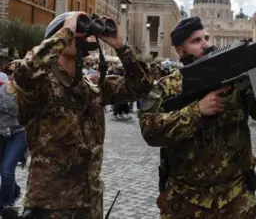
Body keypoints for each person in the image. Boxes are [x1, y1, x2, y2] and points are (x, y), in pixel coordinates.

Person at [138, 16, 256, 219]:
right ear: (180, 51)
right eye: (196, 41)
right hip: (185, 202)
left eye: (205, 37)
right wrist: (196, 111)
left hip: (235, 199)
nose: (206, 44)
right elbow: (150, 132)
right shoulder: (166, 87)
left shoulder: (237, 82)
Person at [12, 11, 152, 218]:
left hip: (90, 202)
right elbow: (25, 71)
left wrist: (121, 47)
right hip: (50, 205)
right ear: (55, 39)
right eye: (74, 33)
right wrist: (66, 31)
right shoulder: (40, 86)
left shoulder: (93, 86)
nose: (80, 37)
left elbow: (140, 87)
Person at [0, 70, 27, 212]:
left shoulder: (28, 93)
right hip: (1, 133)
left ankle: (4, 205)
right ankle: (14, 190)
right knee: (3, 170)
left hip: (19, 133)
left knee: (7, 170)